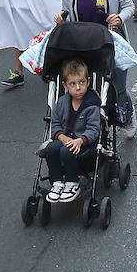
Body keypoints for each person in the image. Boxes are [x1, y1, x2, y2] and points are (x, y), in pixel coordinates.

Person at [56, 0, 137, 136]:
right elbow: (66, 12)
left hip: (110, 43)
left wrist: (119, 17)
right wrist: (61, 19)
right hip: (82, 44)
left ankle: (127, 113)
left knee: (118, 87)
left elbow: (129, 6)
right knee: (89, 88)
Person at [41, 58, 102, 204]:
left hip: (83, 143)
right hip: (64, 139)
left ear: (88, 82)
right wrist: (61, 137)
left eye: (81, 83)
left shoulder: (92, 105)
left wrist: (80, 140)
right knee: (51, 149)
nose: (78, 88)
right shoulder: (62, 102)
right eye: (72, 84)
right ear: (65, 85)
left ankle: (72, 182)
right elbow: (55, 123)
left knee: (66, 151)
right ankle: (57, 182)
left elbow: (94, 129)